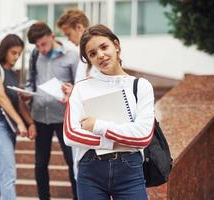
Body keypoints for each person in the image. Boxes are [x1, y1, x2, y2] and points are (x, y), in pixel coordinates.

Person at [63, 24, 155, 200]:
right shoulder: (81, 88)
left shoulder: (140, 86)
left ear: (116, 45)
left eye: (104, 47)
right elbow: (70, 134)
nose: (100, 55)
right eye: (92, 54)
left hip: (130, 172)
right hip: (90, 171)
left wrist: (97, 125)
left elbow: (143, 136)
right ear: (89, 60)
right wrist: (116, 141)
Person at [25, 22, 78, 200]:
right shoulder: (34, 55)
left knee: (72, 161)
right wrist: (27, 93)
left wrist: (72, 90)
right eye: (38, 46)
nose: (42, 49)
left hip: (64, 117)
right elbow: (30, 80)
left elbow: (80, 86)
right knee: (40, 163)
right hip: (40, 116)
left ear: (52, 36)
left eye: (44, 44)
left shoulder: (71, 55)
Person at [0, 34, 37, 200]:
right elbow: (0, 97)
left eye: (19, 54)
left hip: (9, 128)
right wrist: (20, 122)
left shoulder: (12, 74)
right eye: (13, 53)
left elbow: (18, 102)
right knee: (8, 174)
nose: (16, 57)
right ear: (4, 50)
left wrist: (30, 123)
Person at [57, 8, 98, 100]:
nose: (68, 39)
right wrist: (72, 91)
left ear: (79, 27)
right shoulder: (82, 53)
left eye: (68, 34)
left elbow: (100, 87)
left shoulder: (96, 51)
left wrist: (74, 91)